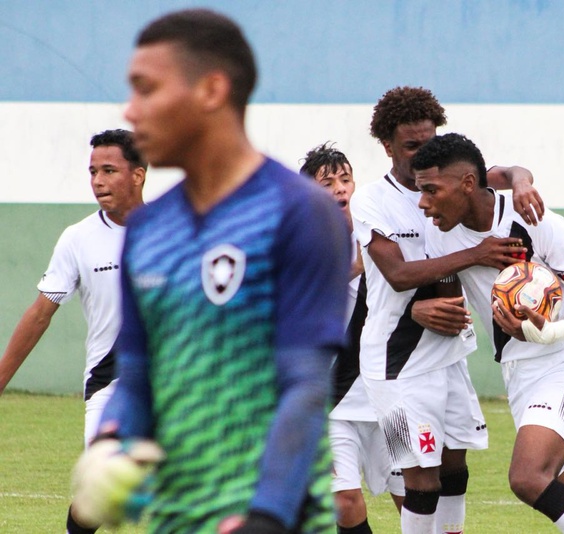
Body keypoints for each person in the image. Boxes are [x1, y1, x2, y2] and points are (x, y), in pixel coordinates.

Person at [70, 9, 351, 534]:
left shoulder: (299, 212)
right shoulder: (147, 229)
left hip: (277, 520)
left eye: (147, 89)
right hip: (174, 521)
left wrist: (265, 518)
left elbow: (305, 388)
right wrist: (109, 442)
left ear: (212, 90)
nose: (131, 109)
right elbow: (137, 378)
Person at [413, 132, 564, 534]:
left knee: (527, 477)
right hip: (520, 378)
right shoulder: (439, 234)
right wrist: (424, 308)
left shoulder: (535, 220)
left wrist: (553, 330)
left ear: (468, 185)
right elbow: (448, 300)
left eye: (431, 191)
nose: (422, 203)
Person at [348, 86, 544, 534]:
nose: (423, 152)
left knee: (455, 470)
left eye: (429, 140)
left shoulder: (451, 175)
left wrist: (522, 180)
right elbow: (397, 275)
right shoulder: (372, 202)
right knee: (421, 481)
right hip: (394, 360)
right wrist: (478, 252)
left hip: (450, 353)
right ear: (387, 146)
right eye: (411, 146)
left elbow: (506, 171)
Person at [0, 128, 146, 534]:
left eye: (109, 170)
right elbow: (39, 314)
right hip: (108, 386)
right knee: (96, 496)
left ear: (138, 174)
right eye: (92, 171)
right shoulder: (78, 239)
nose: (98, 180)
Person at [300, 143, 404, 534]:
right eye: (327, 183)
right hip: (331, 397)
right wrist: (354, 266)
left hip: (387, 390)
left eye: (345, 179)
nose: (340, 189)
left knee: (415, 495)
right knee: (344, 501)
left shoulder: (380, 231)